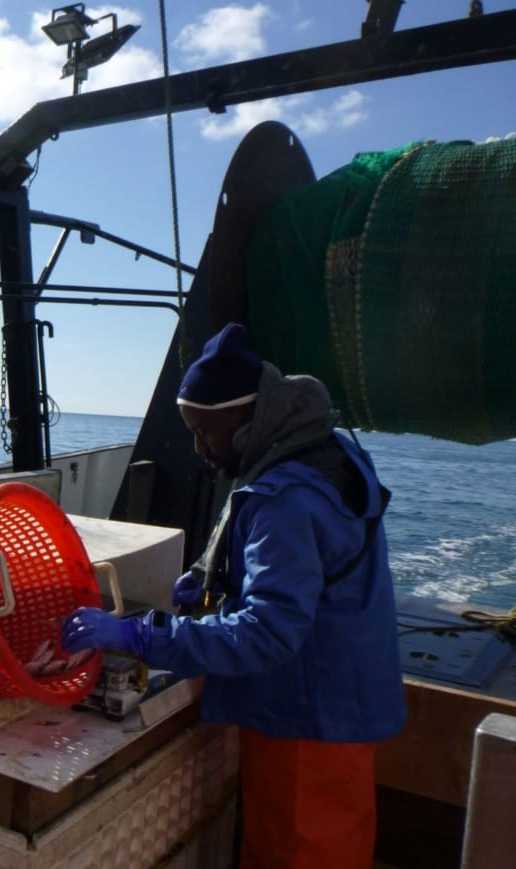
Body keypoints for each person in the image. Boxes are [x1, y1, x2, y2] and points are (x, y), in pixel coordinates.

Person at [60, 322, 405, 868]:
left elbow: (268, 631)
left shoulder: (287, 498)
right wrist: (209, 573)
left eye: (206, 432)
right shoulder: (316, 450)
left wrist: (139, 635)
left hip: (308, 722)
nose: (199, 448)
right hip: (342, 704)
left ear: (246, 423)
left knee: (296, 853)